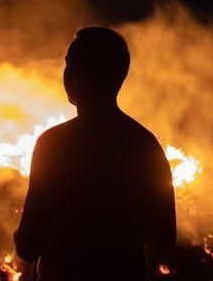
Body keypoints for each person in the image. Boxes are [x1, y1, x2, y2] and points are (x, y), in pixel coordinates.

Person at [14, 27, 176, 280]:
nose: (65, 73)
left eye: (70, 65)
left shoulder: (54, 144)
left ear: (79, 74)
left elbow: (28, 244)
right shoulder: (144, 144)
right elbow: (165, 239)